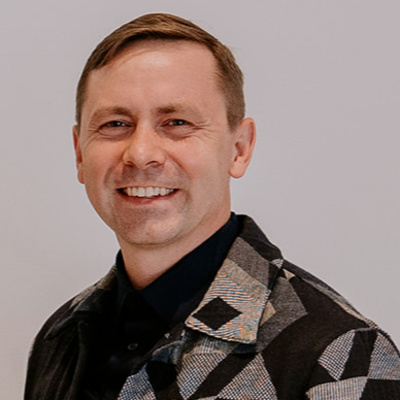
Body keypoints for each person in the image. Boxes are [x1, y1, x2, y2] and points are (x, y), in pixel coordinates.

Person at [25, 13, 400, 400]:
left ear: (239, 149)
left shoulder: (340, 356)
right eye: (116, 124)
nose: (140, 153)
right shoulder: (61, 336)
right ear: (79, 154)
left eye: (177, 122)